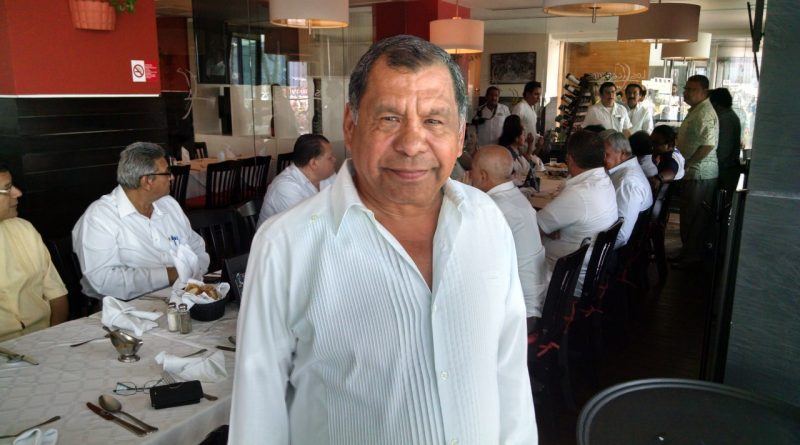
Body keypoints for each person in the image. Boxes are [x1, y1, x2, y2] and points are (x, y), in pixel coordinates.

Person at [229, 35, 537, 444]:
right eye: (389, 118)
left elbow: (509, 373)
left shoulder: (486, 220)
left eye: (434, 120)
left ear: (461, 134)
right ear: (351, 126)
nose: (411, 144)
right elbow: (257, 419)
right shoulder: (285, 245)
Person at [72, 142, 209, 301]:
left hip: (183, 296)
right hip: (126, 306)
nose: (172, 177)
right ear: (147, 181)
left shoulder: (169, 204)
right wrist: (170, 275)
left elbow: (197, 248)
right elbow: (104, 280)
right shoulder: (100, 217)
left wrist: (192, 275)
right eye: (167, 173)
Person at [470, 146, 547, 331]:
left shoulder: (491, 208)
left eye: (471, 171)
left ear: (482, 176)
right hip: (537, 298)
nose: (469, 176)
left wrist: (465, 198)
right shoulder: (515, 197)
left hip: (521, 314)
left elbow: (471, 260)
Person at [538, 130, 618, 296]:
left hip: (566, 277)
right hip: (588, 268)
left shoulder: (579, 194)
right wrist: (549, 228)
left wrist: (546, 229)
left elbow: (535, 228)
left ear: (570, 159)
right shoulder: (604, 180)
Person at [0, 165, 69, 341]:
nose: (18, 193)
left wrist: (52, 339)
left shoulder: (24, 230)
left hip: (44, 337)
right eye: (7, 188)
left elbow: (57, 295)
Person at [676, 75, 719, 266]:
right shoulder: (697, 110)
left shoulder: (705, 113)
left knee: (695, 218)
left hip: (700, 173)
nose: (686, 93)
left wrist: (689, 163)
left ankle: (692, 257)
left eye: (691, 89)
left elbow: (708, 145)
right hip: (692, 173)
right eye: (685, 88)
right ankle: (686, 253)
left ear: (704, 92)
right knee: (688, 215)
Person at [256, 134, 337, 227]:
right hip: (284, 235)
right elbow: (307, 225)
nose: (334, 160)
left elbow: (343, 203)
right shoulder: (285, 187)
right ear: (314, 163)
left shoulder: (328, 175)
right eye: (330, 158)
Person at [600, 130, 653, 249]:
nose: (600, 159)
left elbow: (621, 235)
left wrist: (594, 252)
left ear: (622, 153)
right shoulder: (621, 171)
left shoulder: (628, 183)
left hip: (616, 251)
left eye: (606, 155)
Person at [709, 88, 743, 200]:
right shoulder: (729, 116)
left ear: (715, 103)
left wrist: (711, 167)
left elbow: (724, 150)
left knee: (720, 203)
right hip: (727, 169)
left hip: (725, 171)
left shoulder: (725, 119)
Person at [498, 115, 537, 186]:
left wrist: (530, 144)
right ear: (516, 138)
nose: (525, 137)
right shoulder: (508, 153)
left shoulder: (516, 149)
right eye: (523, 134)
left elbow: (528, 162)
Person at [512, 80, 545, 152]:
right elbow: (513, 131)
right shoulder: (520, 107)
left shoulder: (532, 109)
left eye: (539, 95)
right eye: (536, 94)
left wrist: (538, 137)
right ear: (527, 94)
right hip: (521, 151)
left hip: (530, 150)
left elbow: (530, 130)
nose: (538, 97)